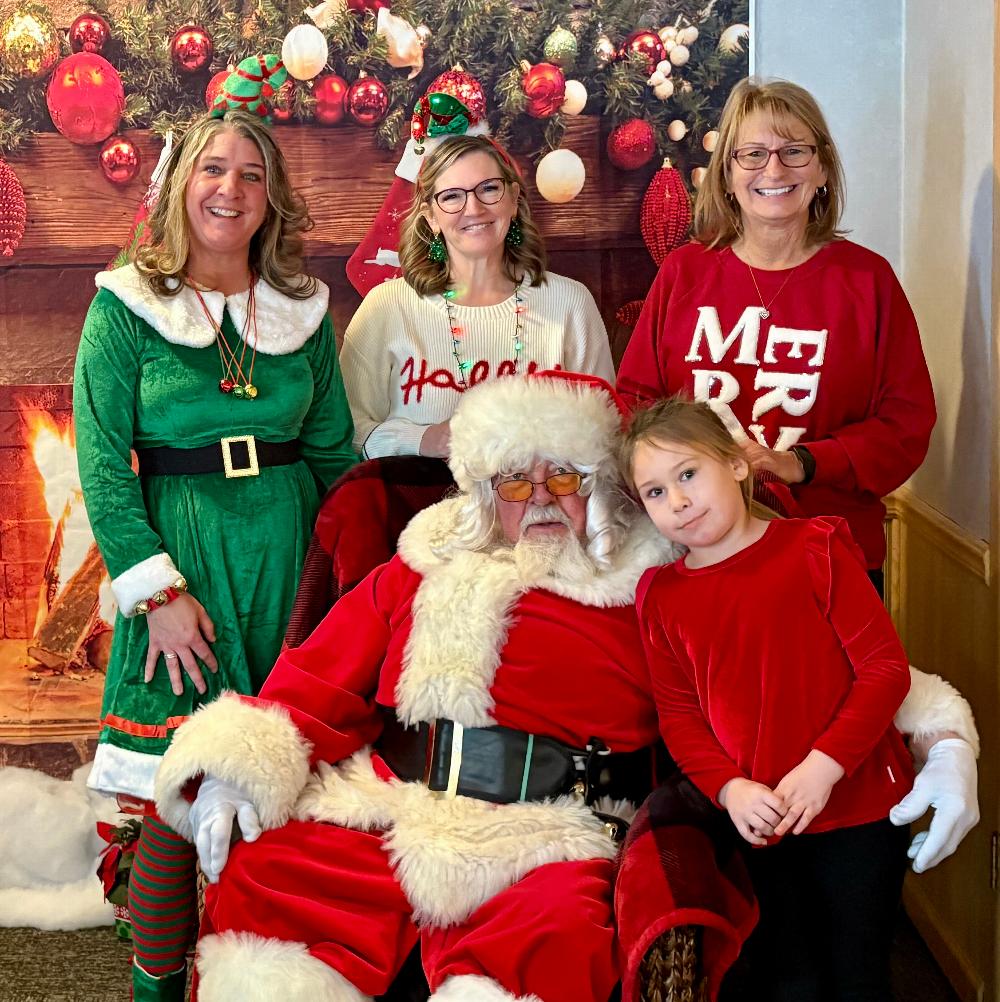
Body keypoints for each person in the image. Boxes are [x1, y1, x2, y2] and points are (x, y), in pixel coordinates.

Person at [152, 374, 976, 1002]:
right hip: (385, 803)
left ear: (602, 489)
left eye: (564, 479)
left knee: (549, 945)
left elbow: (807, 659)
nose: (540, 499)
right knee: (272, 888)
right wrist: (234, 763)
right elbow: (314, 679)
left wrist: (942, 734)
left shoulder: (654, 584)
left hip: (549, 834)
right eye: (516, 482)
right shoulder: (423, 563)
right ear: (482, 491)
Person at [73, 109, 357, 1002]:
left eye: (249, 176)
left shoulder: (305, 313)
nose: (228, 190)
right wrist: (156, 593)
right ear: (179, 183)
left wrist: (360, 577)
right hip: (183, 557)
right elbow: (100, 468)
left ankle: (253, 971)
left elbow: (334, 454)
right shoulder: (124, 307)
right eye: (212, 170)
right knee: (174, 787)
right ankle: (158, 984)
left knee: (280, 777)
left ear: (271, 199)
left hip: (287, 554)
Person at [621, 397, 927, 1000]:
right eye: (655, 492)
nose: (678, 501)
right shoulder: (661, 596)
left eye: (688, 474)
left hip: (858, 813)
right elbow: (680, 718)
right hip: (760, 823)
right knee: (788, 978)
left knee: (858, 976)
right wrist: (731, 789)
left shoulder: (814, 548)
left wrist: (823, 767)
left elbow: (885, 669)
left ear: (736, 464)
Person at [616, 78, 936, 587]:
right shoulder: (684, 273)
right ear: (726, 176)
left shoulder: (867, 281)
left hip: (829, 556)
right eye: (753, 154)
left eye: (794, 151)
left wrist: (799, 463)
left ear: (824, 168)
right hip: (691, 553)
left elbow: (904, 425)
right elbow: (634, 403)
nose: (774, 169)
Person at [339, 135, 615, 460]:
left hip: (541, 503)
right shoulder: (386, 307)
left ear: (513, 199)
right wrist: (421, 438)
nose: (473, 208)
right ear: (430, 217)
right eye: (452, 196)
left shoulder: (570, 303)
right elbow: (345, 430)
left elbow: (606, 430)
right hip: (415, 503)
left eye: (488, 189)